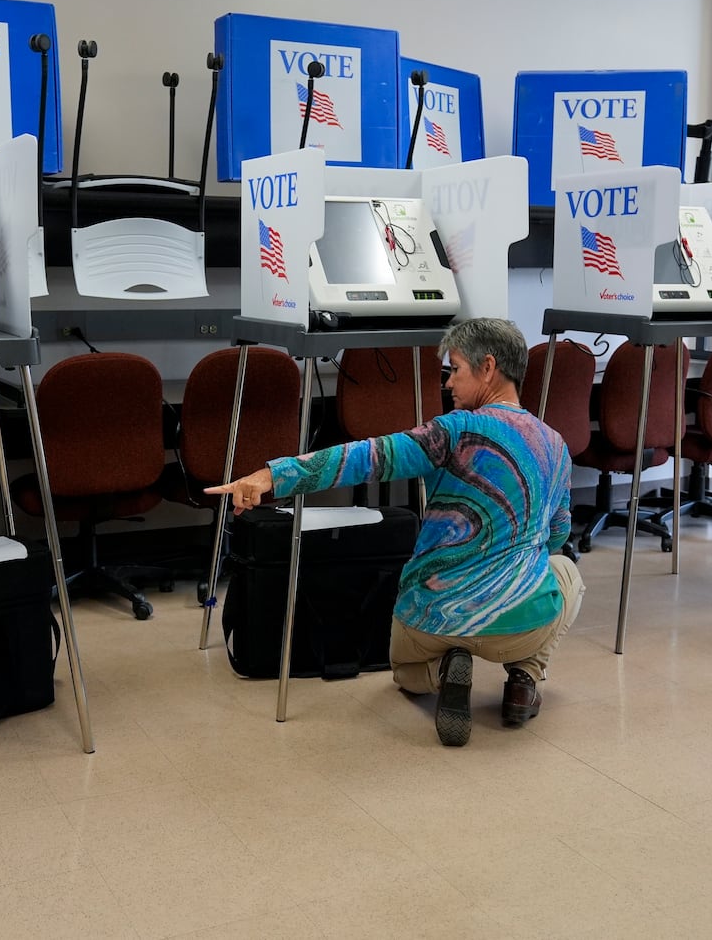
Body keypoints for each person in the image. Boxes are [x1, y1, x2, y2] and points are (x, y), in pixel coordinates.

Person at [207, 318, 582, 747]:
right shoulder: (556, 446)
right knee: (567, 572)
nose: (449, 383)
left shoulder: (454, 429)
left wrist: (272, 475)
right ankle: (524, 678)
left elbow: (367, 457)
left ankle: (443, 671)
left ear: (488, 367)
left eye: (455, 369)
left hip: (432, 617)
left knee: (405, 672)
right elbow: (557, 534)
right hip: (517, 624)